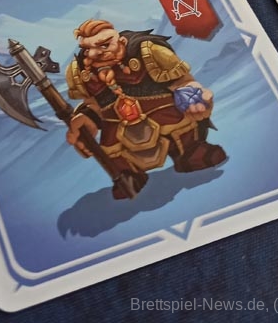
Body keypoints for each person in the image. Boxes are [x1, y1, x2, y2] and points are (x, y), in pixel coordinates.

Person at [64, 19, 226, 199]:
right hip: (117, 122)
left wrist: (194, 93)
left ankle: (191, 151)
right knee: (110, 145)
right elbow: (94, 105)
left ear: (121, 41)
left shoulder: (149, 51)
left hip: (163, 111)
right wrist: (87, 120)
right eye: (87, 49)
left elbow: (182, 81)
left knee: (178, 122)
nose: (95, 54)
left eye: (104, 45)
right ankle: (128, 174)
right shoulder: (82, 72)